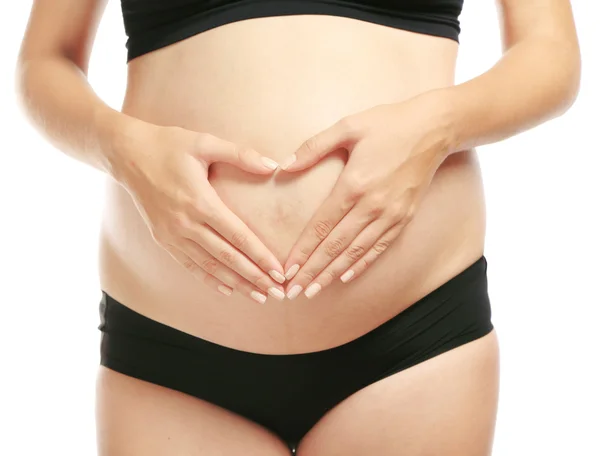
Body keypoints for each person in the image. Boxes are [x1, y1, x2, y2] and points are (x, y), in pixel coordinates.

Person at [16, 0, 580, 455]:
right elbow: (44, 60)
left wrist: (437, 125)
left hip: (410, 339)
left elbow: (550, 53)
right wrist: (123, 148)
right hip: (169, 350)